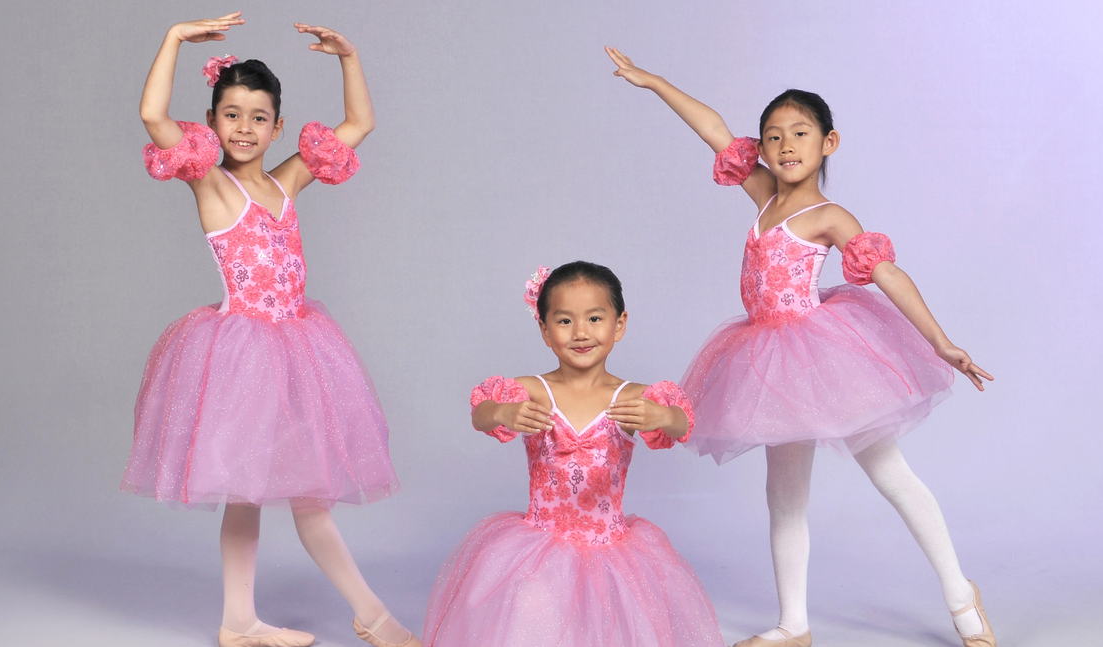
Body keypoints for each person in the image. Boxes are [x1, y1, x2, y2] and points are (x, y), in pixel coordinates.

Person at [606, 47, 997, 647]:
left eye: (800, 133)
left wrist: (941, 342)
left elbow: (887, 274)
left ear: (828, 143)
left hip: (823, 357)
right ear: (760, 151)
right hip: (766, 363)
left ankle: (961, 598)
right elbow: (713, 129)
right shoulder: (762, 193)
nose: (786, 144)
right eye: (773, 136)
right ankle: (795, 624)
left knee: (891, 475)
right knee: (783, 495)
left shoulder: (828, 215)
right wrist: (656, 83)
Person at [121, 13, 419, 647]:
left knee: (287, 495)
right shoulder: (210, 182)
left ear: (278, 126)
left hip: (299, 350)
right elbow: (152, 116)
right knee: (257, 495)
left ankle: (246, 621)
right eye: (231, 114)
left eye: (259, 117)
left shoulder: (287, 183)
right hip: (243, 354)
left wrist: (348, 56)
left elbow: (359, 125)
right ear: (211, 123)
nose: (245, 128)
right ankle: (359, 617)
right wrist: (173, 37)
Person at [422, 261, 725, 647]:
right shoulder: (534, 389)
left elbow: (683, 425)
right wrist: (503, 412)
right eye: (564, 321)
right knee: (534, 616)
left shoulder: (633, 397)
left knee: (605, 624)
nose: (581, 333)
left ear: (619, 324)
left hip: (608, 544)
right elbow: (481, 413)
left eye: (595, 318)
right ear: (544, 330)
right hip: (540, 540)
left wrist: (663, 415)